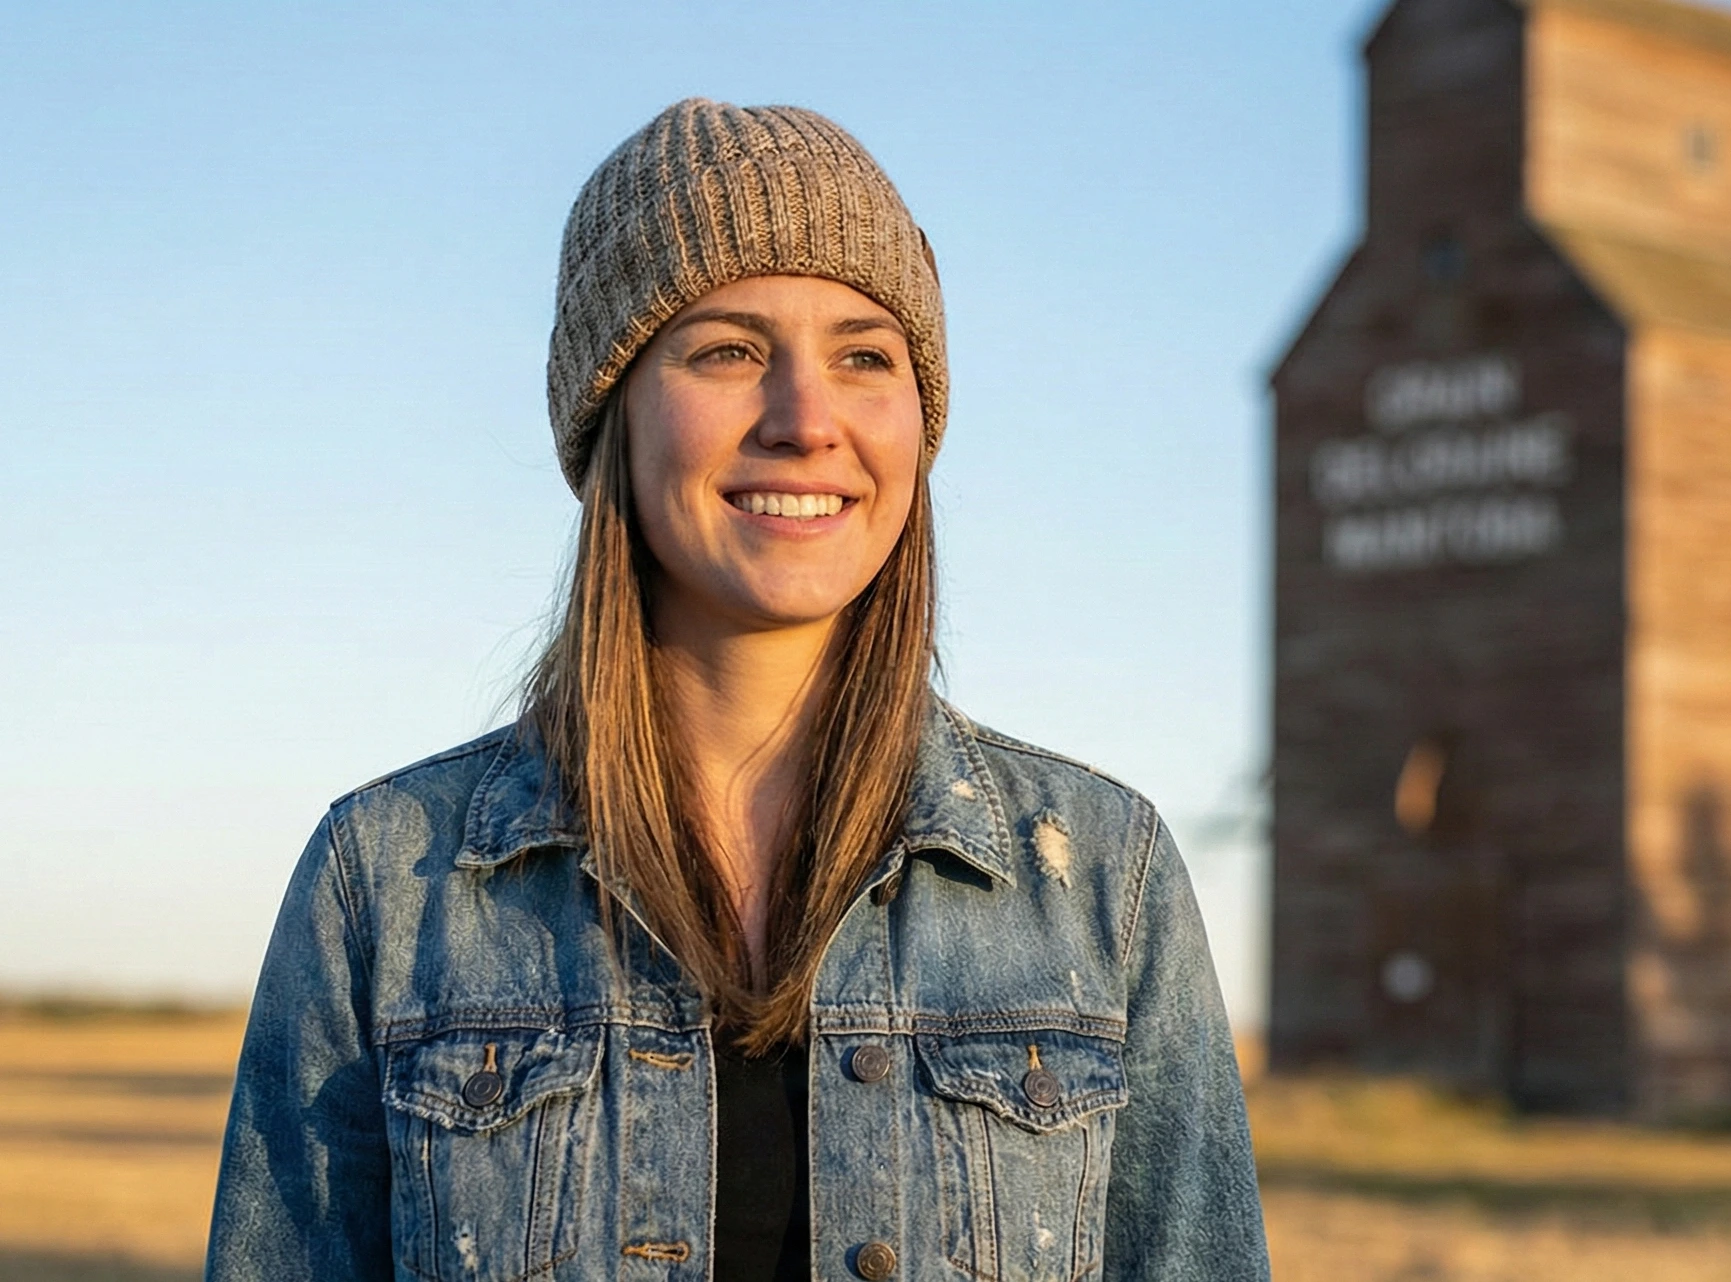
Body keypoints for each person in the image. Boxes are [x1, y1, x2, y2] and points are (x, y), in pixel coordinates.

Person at [204, 98, 1268, 1281]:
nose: (806, 420)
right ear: (611, 412)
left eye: (865, 355)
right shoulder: (389, 880)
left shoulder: (1098, 878)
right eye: (727, 350)